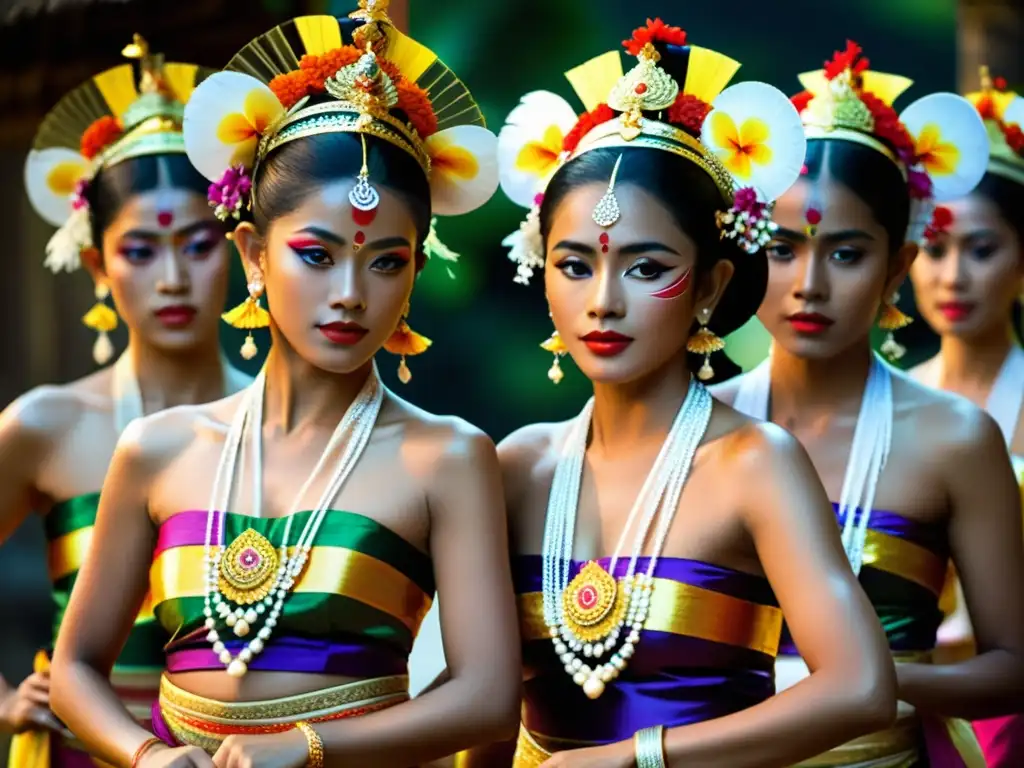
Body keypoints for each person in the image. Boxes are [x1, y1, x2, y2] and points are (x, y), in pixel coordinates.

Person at [47, 4, 521, 767]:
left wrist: (309, 747)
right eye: (316, 254)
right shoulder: (157, 449)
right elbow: (75, 669)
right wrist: (146, 756)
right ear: (253, 255)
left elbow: (489, 698)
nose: (350, 293)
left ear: (414, 275)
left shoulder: (448, 456)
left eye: (386, 261)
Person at [468, 19, 897, 768]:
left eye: (644, 268)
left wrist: (637, 759)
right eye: (574, 265)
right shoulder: (518, 466)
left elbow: (861, 687)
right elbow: (486, 706)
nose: (603, 301)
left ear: (710, 284)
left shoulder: (754, 462)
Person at [717, 41, 1024, 766]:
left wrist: (863, 684)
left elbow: (1013, 663)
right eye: (784, 248)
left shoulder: (955, 438)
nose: (810, 284)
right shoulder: (701, 424)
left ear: (900, 264)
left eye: (847, 253)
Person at [0, 36, 251, 767]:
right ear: (95, 264)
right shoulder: (47, 425)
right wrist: (6, 700)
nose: (172, 277)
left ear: (241, 249)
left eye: (198, 244)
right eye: (140, 251)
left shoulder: (275, 421)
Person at [908, 65, 1024, 767]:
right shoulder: (888, 401)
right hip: (901, 699)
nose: (953, 277)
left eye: (981, 250)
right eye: (935, 249)